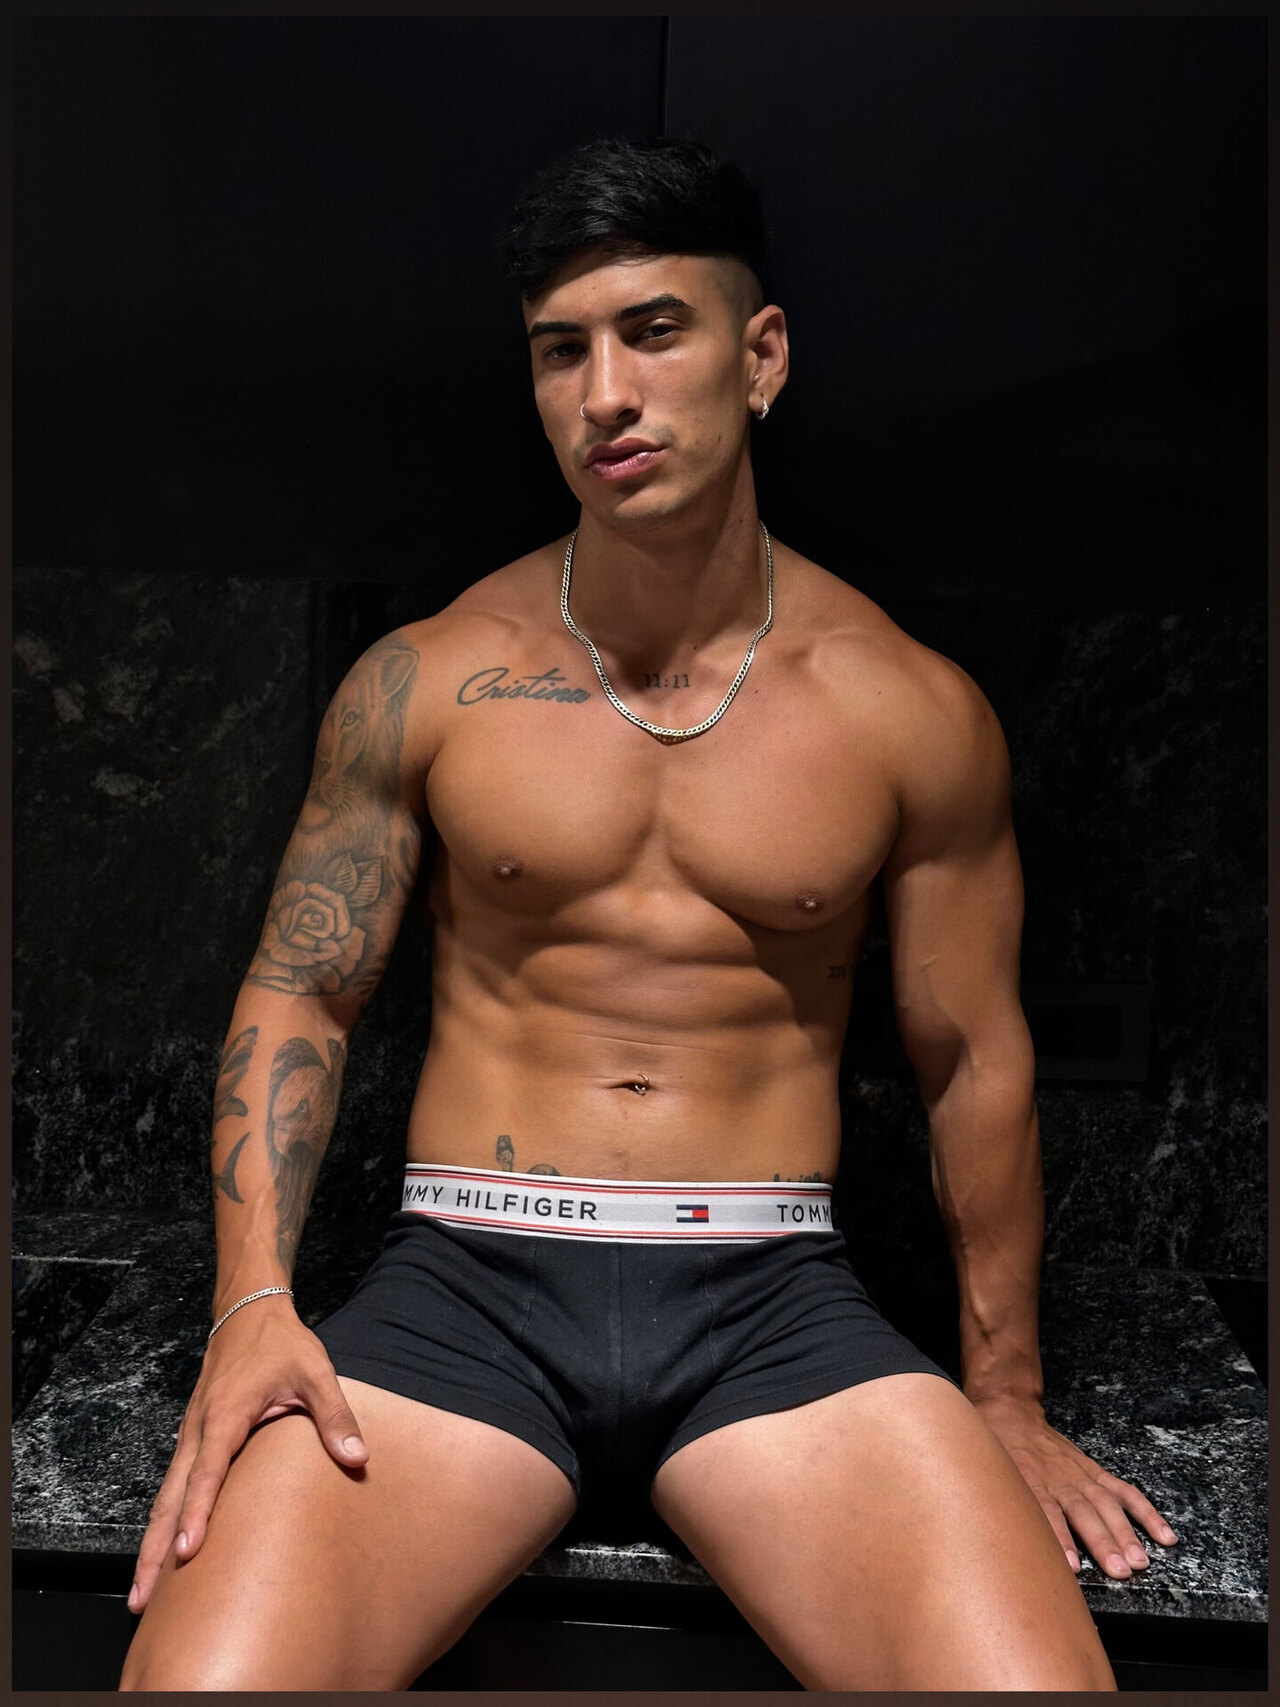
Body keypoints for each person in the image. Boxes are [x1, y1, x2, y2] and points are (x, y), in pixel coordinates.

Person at [119, 136, 1176, 1692]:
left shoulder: (905, 708)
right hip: (461, 1295)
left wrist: (1006, 1396)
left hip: (773, 1310)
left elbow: (971, 1058)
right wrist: (252, 1307)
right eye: (562, 351)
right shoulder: (428, 678)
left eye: (654, 331)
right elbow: (303, 991)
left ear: (763, 357)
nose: (605, 393)